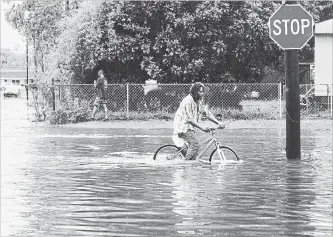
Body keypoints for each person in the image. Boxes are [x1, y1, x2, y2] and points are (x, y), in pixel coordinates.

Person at [173, 82, 225, 160]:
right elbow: (189, 119)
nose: (201, 93)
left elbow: (207, 113)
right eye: (199, 91)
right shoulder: (187, 101)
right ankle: (185, 164)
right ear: (194, 91)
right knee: (195, 144)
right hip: (182, 126)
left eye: (202, 91)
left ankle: (186, 160)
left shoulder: (199, 100)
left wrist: (218, 122)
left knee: (195, 152)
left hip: (190, 126)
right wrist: (202, 128)